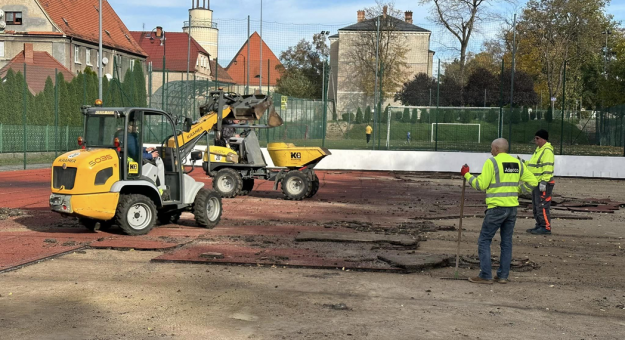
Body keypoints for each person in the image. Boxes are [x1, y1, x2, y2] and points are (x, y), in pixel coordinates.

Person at [461, 138, 537, 284]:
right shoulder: (517, 163)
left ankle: (485, 275)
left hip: (496, 208)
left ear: (496, 149)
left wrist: (467, 175)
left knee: (484, 240)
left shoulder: (492, 162)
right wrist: (519, 190)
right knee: (506, 242)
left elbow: (481, 185)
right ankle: (503, 276)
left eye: (491, 148)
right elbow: (533, 182)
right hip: (512, 208)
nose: (490, 151)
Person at [522, 129, 555, 235]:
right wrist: (523, 163)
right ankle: (540, 225)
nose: (535, 140)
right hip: (536, 183)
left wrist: (544, 182)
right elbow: (533, 165)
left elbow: (548, 167)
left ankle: (545, 227)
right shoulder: (539, 150)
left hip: (542, 183)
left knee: (542, 205)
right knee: (537, 205)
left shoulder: (547, 151)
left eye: (537, 138)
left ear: (543, 139)